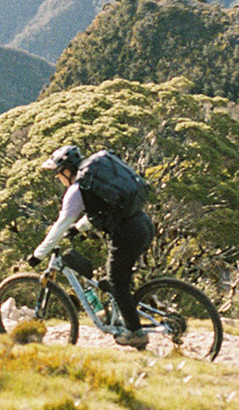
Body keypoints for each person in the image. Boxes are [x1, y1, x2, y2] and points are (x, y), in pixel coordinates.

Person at [31, 145, 155, 348]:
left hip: (127, 234)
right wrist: (78, 228)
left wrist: (39, 254)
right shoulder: (93, 180)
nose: (58, 178)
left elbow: (61, 224)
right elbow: (103, 210)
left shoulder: (76, 189)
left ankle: (135, 332)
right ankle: (125, 317)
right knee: (115, 277)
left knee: (117, 282)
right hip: (142, 224)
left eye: (58, 173)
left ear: (67, 170)